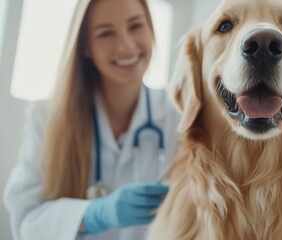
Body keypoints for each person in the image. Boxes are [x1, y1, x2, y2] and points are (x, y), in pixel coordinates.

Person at [3, 0, 180, 239]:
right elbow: (25, 220)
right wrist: (94, 214)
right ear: (86, 46)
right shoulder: (45, 117)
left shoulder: (179, 115)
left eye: (136, 26)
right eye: (106, 33)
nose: (126, 45)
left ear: (150, 28)